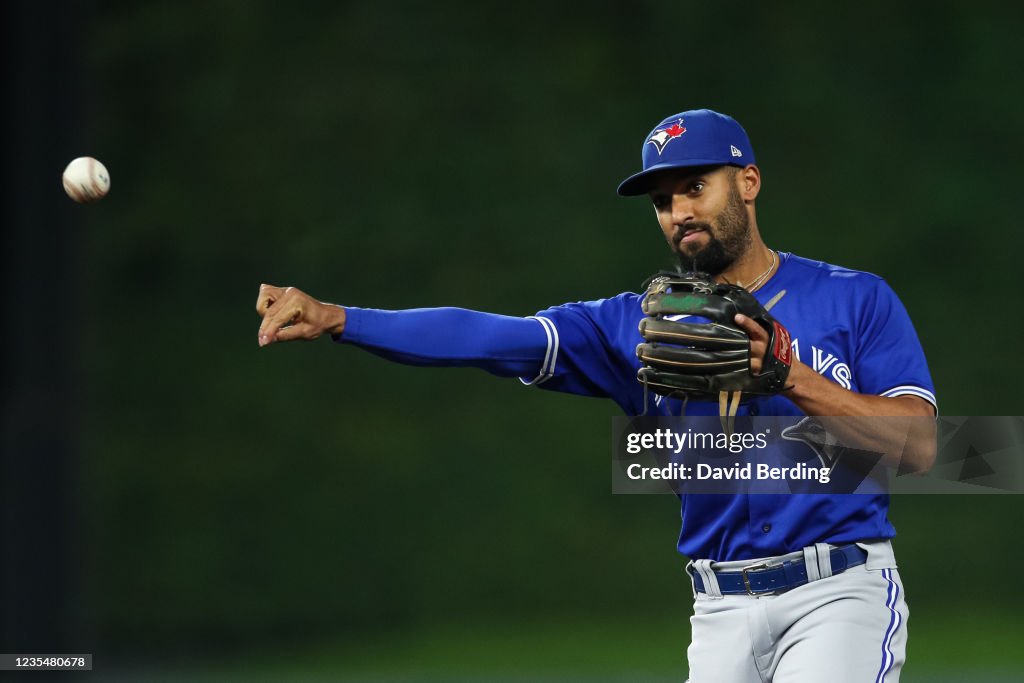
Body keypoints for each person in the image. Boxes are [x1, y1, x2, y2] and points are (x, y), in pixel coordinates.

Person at [255, 109, 936, 682]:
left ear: (749, 181)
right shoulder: (632, 326)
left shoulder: (855, 299)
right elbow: (491, 338)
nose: (680, 212)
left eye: (695, 186)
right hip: (718, 611)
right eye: (664, 201)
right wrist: (342, 318)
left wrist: (788, 374)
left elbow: (923, 445)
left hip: (837, 593)